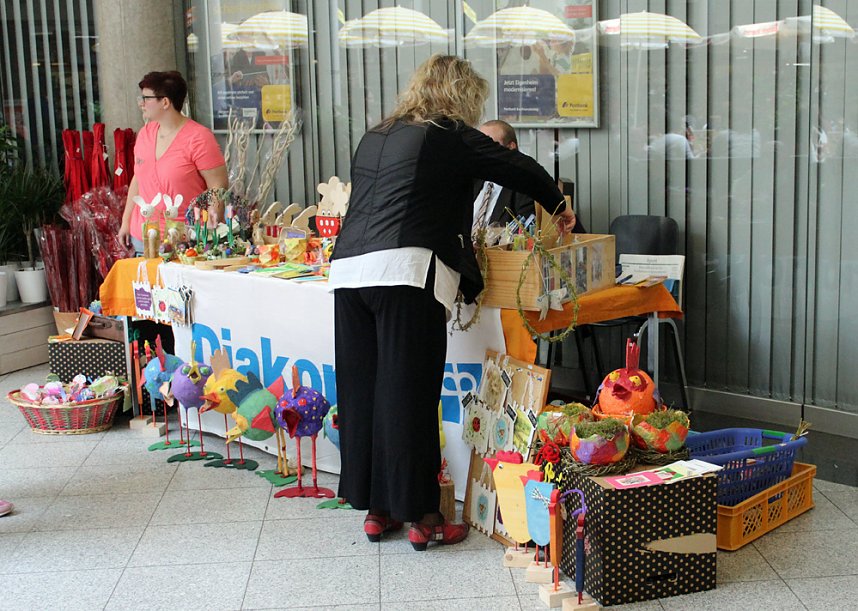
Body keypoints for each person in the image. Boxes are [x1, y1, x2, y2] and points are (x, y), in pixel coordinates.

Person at [328, 54, 574, 551]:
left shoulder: (377, 133)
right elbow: (515, 165)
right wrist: (559, 202)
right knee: (410, 394)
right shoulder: (447, 133)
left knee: (367, 393)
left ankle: (378, 510)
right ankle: (423, 518)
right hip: (405, 273)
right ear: (461, 96)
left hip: (349, 272)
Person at [118, 71, 228, 254]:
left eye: (146, 98)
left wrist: (212, 226)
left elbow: (218, 185)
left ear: (165, 102)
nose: (141, 103)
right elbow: (138, 180)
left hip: (185, 241)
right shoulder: (145, 134)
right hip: (143, 240)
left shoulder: (199, 138)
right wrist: (126, 221)